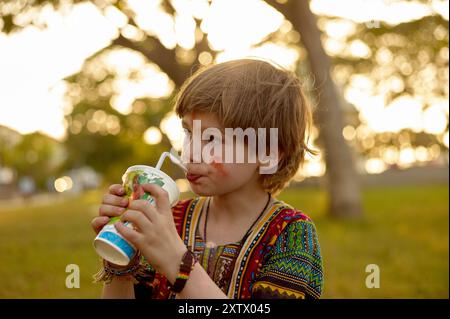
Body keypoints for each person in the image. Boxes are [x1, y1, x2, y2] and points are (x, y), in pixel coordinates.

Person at [91, 58, 324, 299]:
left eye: (212, 139)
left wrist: (177, 262)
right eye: (188, 132)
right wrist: (120, 263)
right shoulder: (171, 220)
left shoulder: (291, 234)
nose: (189, 153)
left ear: (268, 154)